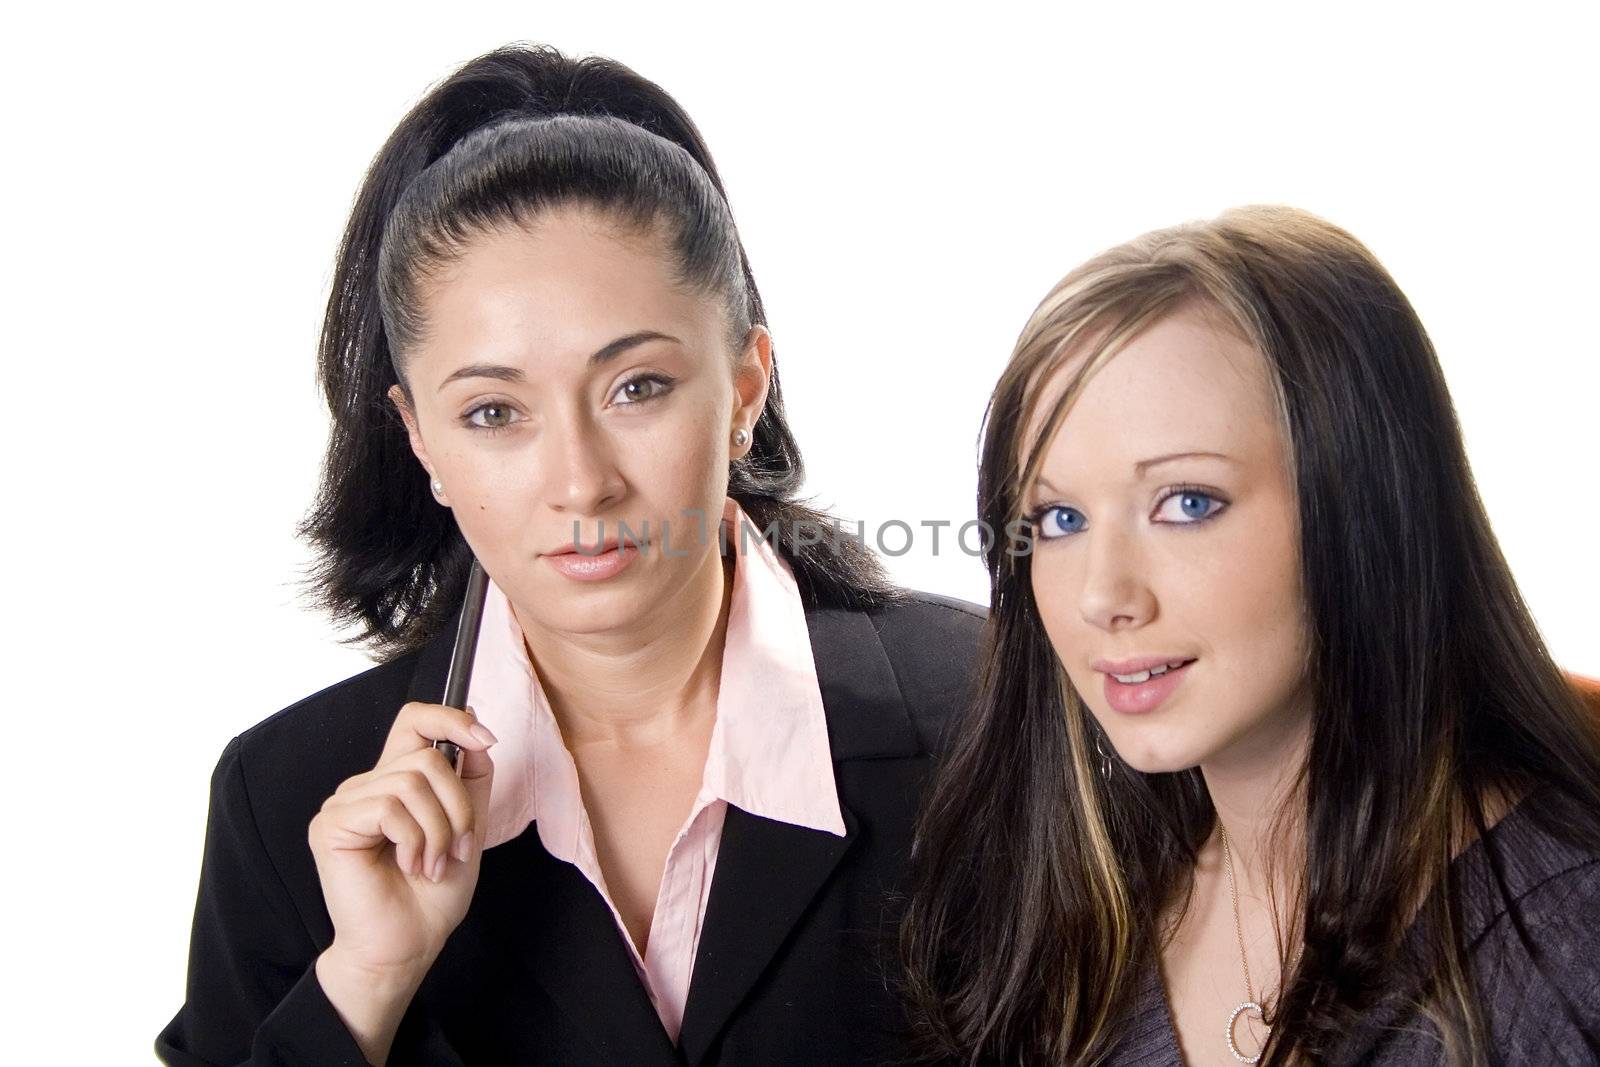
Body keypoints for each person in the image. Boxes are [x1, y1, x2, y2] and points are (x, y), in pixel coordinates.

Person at [156, 43, 984, 1066]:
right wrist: (363, 982)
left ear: (744, 385)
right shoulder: (290, 798)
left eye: (636, 386)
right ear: (421, 440)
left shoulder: (994, 714)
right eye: (494, 411)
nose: (581, 481)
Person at [898, 206, 1600, 1065]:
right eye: (1059, 517)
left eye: (1187, 503)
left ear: (1364, 507)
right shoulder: (1068, 917)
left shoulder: (1562, 949)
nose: (1103, 595)